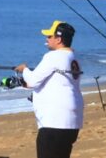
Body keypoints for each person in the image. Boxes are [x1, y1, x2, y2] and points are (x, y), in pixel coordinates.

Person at [14, 20, 83, 158]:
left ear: (58, 39)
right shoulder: (74, 58)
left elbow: (32, 81)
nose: (46, 39)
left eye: (49, 36)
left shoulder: (53, 56)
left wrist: (24, 69)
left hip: (55, 121)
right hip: (72, 121)